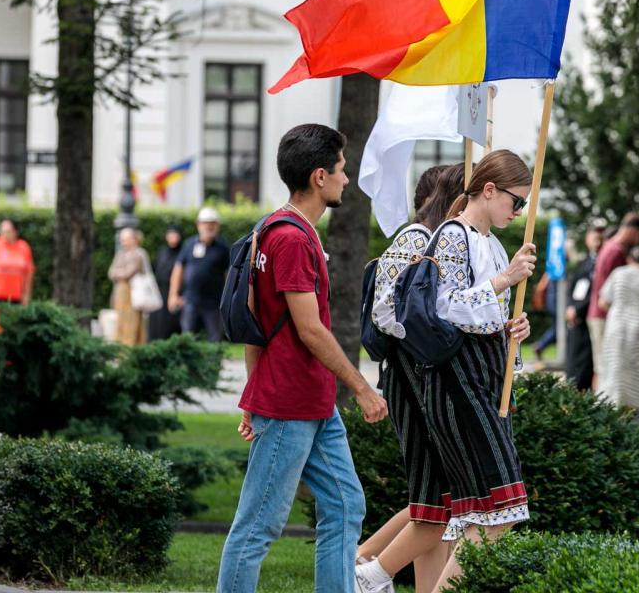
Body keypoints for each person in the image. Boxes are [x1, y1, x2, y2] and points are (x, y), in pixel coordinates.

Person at [217, 123, 387, 593]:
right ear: (318, 177)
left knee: (346, 504)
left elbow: (253, 321)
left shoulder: (272, 229)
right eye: (341, 169)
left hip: (310, 401)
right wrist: (361, 387)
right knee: (257, 527)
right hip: (291, 403)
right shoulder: (291, 239)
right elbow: (309, 329)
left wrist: (253, 392)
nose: (345, 179)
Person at [357, 150, 534, 593]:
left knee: (451, 507)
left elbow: (483, 314)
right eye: (517, 201)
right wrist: (502, 283)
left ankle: (370, 572)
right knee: (489, 507)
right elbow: (434, 310)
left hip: (478, 377)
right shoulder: (442, 237)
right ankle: (367, 571)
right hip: (442, 377)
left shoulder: (488, 241)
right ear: (487, 190)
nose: (520, 212)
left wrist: (511, 329)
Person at [354, 162, 465, 593]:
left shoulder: (439, 241)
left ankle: (368, 562)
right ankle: (367, 569)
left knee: (436, 499)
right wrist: (428, 342)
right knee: (437, 501)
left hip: (422, 374)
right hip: (409, 375)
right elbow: (385, 310)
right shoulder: (416, 237)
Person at [597, 246, 639, 429]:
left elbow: (602, 301)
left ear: (629, 259)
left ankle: (613, 417)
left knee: (615, 369)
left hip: (616, 324)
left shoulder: (618, 273)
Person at [586, 213, 639, 385]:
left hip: (598, 313)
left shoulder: (608, 247)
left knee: (602, 365)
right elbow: (614, 291)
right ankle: (600, 408)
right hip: (604, 315)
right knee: (604, 367)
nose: (638, 241)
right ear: (633, 231)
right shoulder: (617, 251)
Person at [169, 207, 231, 342]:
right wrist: (173, 295)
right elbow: (178, 269)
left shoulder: (223, 247)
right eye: (205, 223)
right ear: (198, 225)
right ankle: (188, 364)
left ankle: (213, 363)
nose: (209, 226)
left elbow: (229, 274)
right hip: (190, 301)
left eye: (212, 223)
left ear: (217, 225)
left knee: (215, 339)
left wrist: (228, 299)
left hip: (214, 303)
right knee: (187, 339)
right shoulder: (189, 244)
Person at [564, 222, 604, 390]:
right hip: (575, 317)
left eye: (600, 239)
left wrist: (578, 310)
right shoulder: (584, 262)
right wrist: (570, 308)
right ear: (588, 240)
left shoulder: (601, 262)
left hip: (588, 316)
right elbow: (573, 287)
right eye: (594, 238)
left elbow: (596, 291)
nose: (597, 243)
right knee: (573, 358)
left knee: (586, 361)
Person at [107, 227, 151, 346]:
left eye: (125, 239)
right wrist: (119, 273)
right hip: (120, 293)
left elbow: (129, 272)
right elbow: (111, 272)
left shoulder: (139, 254)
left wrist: (119, 273)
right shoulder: (121, 254)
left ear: (133, 239)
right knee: (120, 322)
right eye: (122, 239)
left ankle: (131, 348)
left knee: (133, 323)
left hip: (134, 293)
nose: (123, 242)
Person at [149, 226, 183, 342]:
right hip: (159, 292)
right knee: (157, 323)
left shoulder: (182, 252)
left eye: (175, 235)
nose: (172, 238)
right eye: (170, 235)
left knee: (171, 324)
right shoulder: (162, 251)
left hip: (175, 292)